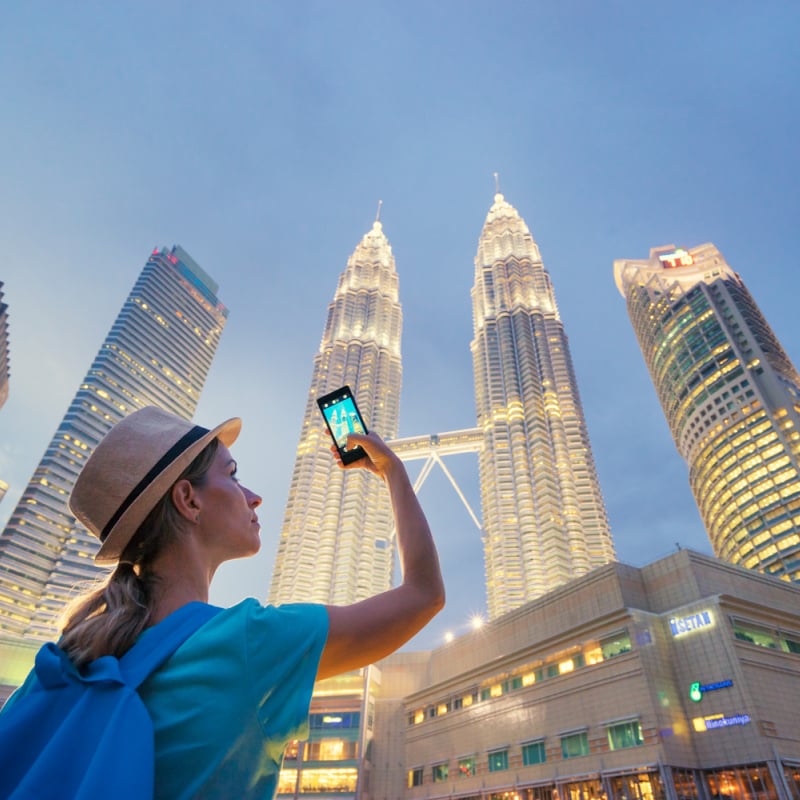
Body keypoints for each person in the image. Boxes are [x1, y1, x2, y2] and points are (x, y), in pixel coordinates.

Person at [3, 405, 444, 799]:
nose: (254, 496)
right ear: (188, 499)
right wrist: (392, 471)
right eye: (232, 475)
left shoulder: (71, 658)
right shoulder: (248, 642)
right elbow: (424, 594)